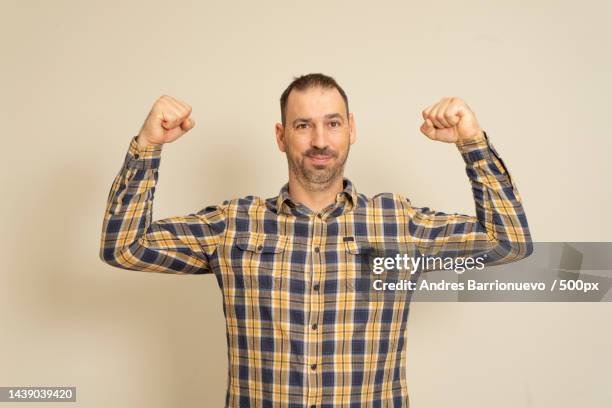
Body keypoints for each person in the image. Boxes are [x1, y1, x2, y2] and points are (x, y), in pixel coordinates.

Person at [99, 73, 532, 407]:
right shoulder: (234, 223)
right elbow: (125, 246)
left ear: (351, 130)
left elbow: (508, 242)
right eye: (303, 125)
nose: (320, 140)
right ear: (281, 136)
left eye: (333, 123)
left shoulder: (398, 223)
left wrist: (472, 144)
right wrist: (148, 146)